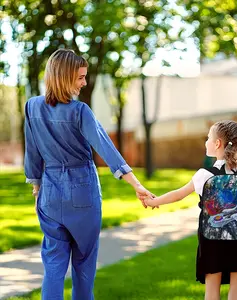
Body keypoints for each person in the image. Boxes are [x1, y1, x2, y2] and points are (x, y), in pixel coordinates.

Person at [24, 48, 153, 300]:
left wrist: (37, 189)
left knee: (53, 265)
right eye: (80, 77)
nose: (84, 83)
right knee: (83, 265)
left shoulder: (32, 107)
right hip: (82, 192)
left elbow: (32, 152)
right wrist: (136, 184)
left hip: (49, 193)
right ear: (64, 77)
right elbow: (106, 148)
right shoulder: (79, 111)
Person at [145, 120, 237, 300]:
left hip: (212, 243)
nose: (206, 142)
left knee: (211, 294)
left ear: (217, 144)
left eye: (208, 138)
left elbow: (178, 194)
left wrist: (154, 202)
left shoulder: (205, 175)